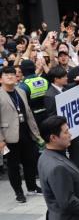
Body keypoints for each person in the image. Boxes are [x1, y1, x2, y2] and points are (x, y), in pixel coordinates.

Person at [38, 116, 79, 220]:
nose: (70, 135)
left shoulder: (45, 156)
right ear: (53, 137)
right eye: (66, 132)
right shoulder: (57, 167)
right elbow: (67, 202)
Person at [0, 66, 44, 203]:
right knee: (13, 166)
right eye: (7, 75)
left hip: (26, 132)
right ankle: (18, 192)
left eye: (13, 74)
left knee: (30, 161)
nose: (11, 76)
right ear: (1, 79)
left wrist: (36, 134)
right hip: (9, 136)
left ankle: (32, 187)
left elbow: (29, 113)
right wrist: (1, 140)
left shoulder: (21, 91)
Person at [18, 59, 48, 127]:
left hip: (33, 118)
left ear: (22, 71)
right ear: (34, 68)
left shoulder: (23, 86)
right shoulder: (45, 81)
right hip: (47, 114)